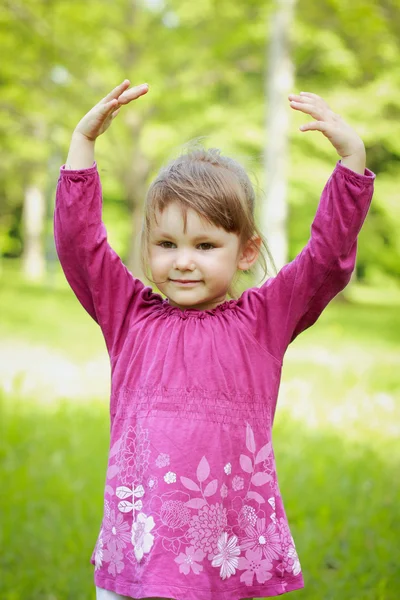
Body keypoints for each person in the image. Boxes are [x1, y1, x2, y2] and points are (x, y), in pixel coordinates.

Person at [54, 79, 375, 600]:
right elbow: (80, 247)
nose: (182, 260)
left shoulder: (264, 320)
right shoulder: (128, 315)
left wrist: (352, 165)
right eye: (166, 243)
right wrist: (82, 149)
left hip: (227, 563)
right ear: (148, 245)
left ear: (246, 252)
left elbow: (325, 261)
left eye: (205, 244)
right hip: (139, 563)